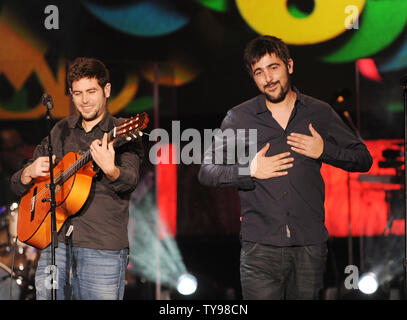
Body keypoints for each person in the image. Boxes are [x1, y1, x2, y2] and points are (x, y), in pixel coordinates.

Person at [198, 35, 372, 300]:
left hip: (309, 247)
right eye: (259, 72)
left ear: (289, 66)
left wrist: (324, 150)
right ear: (253, 77)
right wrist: (249, 170)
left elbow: (363, 158)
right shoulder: (239, 118)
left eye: (274, 67)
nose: (268, 78)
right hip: (260, 248)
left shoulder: (318, 112)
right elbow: (207, 171)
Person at [10, 57, 144, 300]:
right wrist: (28, 173)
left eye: (91, 91)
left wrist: (111, 169)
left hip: (102, 247)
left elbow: (130, 180)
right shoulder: (60, 130)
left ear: (107, 90)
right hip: (56, 244)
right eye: (77, 93)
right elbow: (18, 182)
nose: (84, 100)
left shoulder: (123, 130)